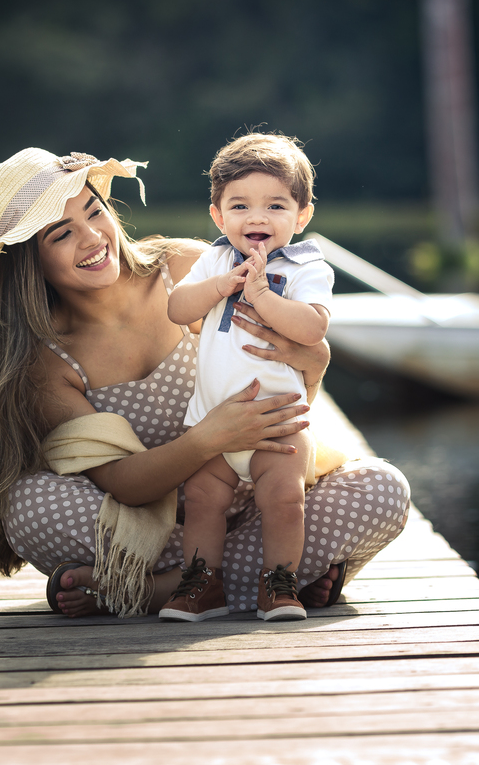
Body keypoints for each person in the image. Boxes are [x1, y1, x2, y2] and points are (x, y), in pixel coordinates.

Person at [0, 145, 411, 619]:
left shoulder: (187, 267)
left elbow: (281, 383)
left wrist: (315, 362)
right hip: (152, 526)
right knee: (29, 507)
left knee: (383, 488)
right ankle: (270, 575)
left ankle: (154, 587)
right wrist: (208, 438)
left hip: (264, 496)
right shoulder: (47, 361)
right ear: (27, 261)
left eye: (96, 212)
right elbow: (123, 484)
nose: (93, 237)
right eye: (61, 234)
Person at [161, 134, 334, 622]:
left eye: (275, 205)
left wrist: (262, 296)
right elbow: (178, 309)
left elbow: (313, 327)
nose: (257, 217)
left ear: (302, 216)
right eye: (240, 206)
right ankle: (203, 584)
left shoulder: (305, 265)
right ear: (218, 216)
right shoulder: (216, 259)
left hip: (280, 425)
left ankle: (278, 584)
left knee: (284, 499)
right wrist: (221, 286)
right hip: (213, 424)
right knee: (201, 500)